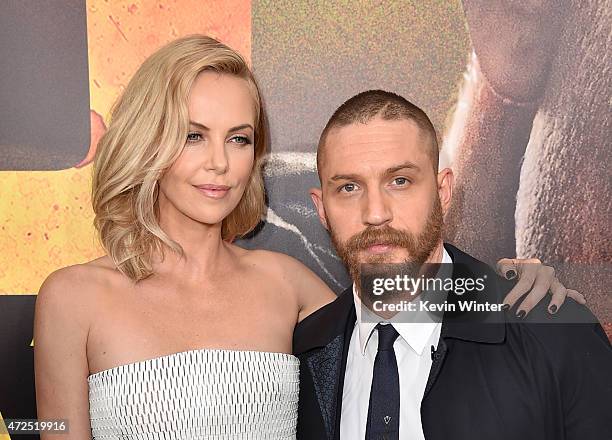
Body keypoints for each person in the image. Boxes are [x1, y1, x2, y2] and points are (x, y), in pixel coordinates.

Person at [34, 36, 582, 439]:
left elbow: (410, 326)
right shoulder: (73, 297)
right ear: (148, 139)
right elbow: (49, 429)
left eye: (240, 138)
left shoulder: (292, 287)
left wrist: (511, 288)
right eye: (193, 136)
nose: (220, 163)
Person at [295, 90, 612, 440]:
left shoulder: (554, 330)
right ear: (321, 208)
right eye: (349, 187)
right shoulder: (301, 353)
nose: (375, 213)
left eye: (400, 181)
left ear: (443, 191)